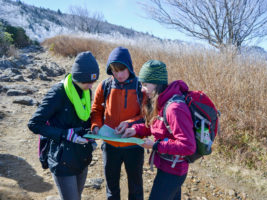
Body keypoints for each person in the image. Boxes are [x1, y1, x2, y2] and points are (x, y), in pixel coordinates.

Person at [120, 60, 196, 200]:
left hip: (174, 171)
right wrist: (135, 130)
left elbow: (188, 146)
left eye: (145, 84)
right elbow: (156, 127)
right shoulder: (161, 101)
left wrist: (155, 145)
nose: (142, 89)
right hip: (166, 165)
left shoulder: (174, 109)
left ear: (157, 83)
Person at [28, 51, 99, 200]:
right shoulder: (58, 93)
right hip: (62, 160)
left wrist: (91, 134)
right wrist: (65, 134)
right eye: (87, 81)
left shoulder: (86, 91)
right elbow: (34, 124)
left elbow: (84, 118)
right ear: (77, 77)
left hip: (82, 155)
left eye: (93, 81)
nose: (91, 85)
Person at [91, 46, 144, 200]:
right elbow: (96, 110)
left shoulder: (140, 87)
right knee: (111, 187)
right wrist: (95, 126)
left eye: (122, 70)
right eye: (114, 70)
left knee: (136, 188)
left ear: (129, 67)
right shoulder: (105, 85)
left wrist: (129, 123)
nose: (119, 75)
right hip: (110, 145)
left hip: (133, 145)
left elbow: (147, 116)